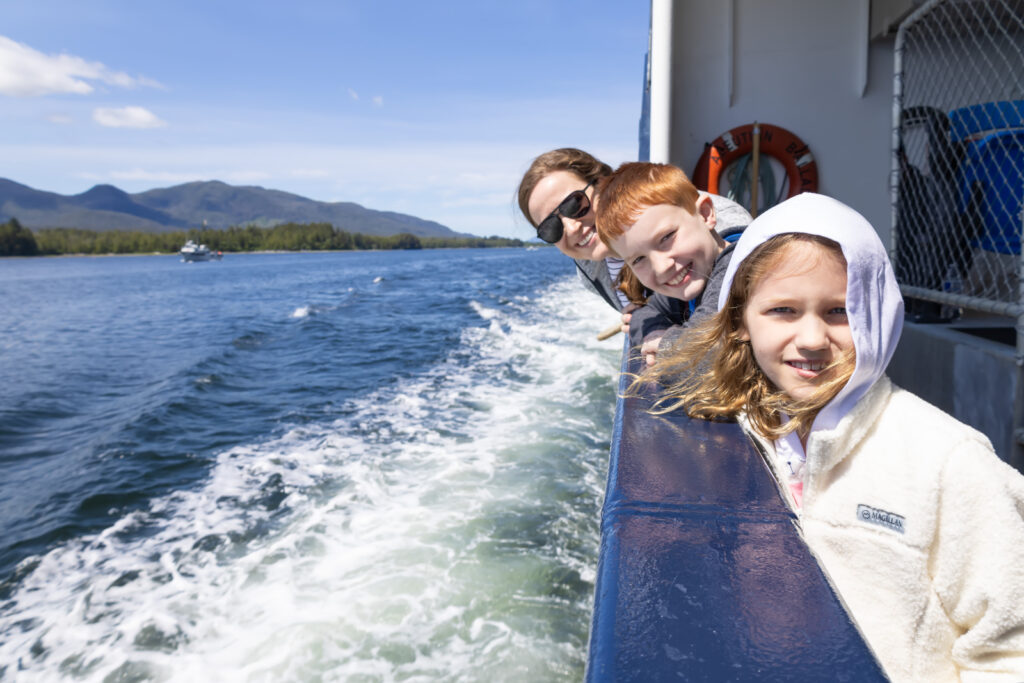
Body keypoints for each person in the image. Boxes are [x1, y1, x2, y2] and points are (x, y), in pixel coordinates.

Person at [643, 192, 1024, 682]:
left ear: (878, 312)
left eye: (839, 312)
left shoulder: (951, 462)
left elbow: (1008, 652)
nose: (811, 339)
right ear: (739, 322)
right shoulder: (742, 436)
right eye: (782, 310)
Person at [516, 149, 750, 351]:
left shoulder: (707, 218)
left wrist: (665, 344)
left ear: (602, 183)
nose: (571, 228)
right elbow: (648, 313)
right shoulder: (590, 272)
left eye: (573, 204)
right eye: (551, 228)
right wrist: (648, 328)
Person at [595, 161, 747, 365]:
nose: (661, 266)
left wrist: (666, 346)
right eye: (639, 259)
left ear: (704, 214)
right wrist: (654, 333)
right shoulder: (693, 273)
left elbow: (701, 350)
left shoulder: (742, 268)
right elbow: (642, 315)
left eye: (666, 237)